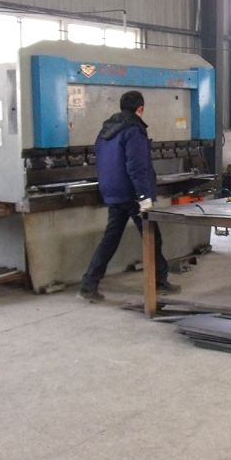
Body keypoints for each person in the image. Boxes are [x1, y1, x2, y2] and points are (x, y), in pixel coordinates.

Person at [78, 90, 180, 302]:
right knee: (152, 236)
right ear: (140, 109)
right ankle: (160, 281)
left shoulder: (105, 130)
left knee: (110, 239)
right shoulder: (134, 130)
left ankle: (88, 285)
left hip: (112, 192)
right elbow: (137, 166)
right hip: (132, 193)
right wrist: (144, 196)